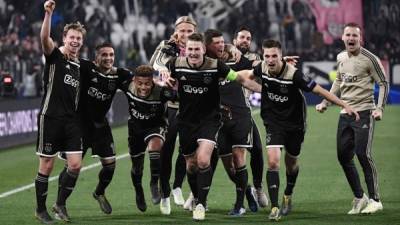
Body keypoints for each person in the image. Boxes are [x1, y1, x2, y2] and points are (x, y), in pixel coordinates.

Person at [242, 39, 359, 221]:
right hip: (273, 122)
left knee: (292, 162)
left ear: (281, 56)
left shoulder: (294, 75)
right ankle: (274, 207)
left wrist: (344, 104)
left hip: (294, 124)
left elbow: (320, 90)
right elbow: (247, 75)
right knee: (273, 161)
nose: (270, 60)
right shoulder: (261, 67)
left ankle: (288, 194)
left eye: (274, 56)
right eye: (267, 56)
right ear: (263, 56)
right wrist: (232, 76)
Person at [164, 33, 261, 221]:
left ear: (203, 50)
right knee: (191, 165)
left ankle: (200, 204)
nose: (193, 53)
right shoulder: (176, 64)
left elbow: (240, 79)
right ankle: (199, 197)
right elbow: (164, 76)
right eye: (190, 49)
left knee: (202, 161)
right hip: (186, 121)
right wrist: (165, 78)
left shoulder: (216, 66)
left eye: (196, 49)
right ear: (186, 51)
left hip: (210, 120)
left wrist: (266, 90)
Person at [316, 22, 389, 215]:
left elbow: (383, 83)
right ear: (342, 37)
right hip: (345, 113)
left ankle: (375, 199)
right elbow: (339, 81)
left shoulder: (370, 59)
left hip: (364, 111)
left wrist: (379, 108)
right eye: (347, 35)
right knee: (343, 157)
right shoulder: (340, 57)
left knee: (363, 154)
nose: (351, 38)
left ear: (360, 38)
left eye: (354, 36)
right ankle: (360, 196)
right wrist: (326, 102)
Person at [59, 42, 133, 215]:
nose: (108, 58)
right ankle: (60, 204)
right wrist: (65, 48)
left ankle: (99, 192)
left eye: (111, 55)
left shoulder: (119, 75)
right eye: (104, 55)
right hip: (78, 125)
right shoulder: (86, 67)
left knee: (110, 166)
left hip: (100, 125)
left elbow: (139, 81)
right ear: (96, 57)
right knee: (72, 167)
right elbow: (66, 57)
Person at [34, 0, 86, 223]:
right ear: (65, 39)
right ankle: (40, 209)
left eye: (78, 38)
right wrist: (48, 14)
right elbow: (44, 39)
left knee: (75, 164)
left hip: (71, 121)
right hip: (51, 117)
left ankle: (60, 203)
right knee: (47, 164)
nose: (74, 41)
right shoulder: (55, 56)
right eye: (71, 37)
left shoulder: (78, 65)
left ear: (82, 42)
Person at [204, 28, 258, 216]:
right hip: (220, 120)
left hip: (241, 116)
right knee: (230, 168)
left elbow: (254, 69)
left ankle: (239, 205)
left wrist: (267, 91)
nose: (220, 46)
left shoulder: (234, 59)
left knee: (239, 156)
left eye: (222, 43)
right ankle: (248, 190)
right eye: (216, 43)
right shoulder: (205, 65)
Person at [150, 16, 197, 211]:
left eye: (189, 31)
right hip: (170, 105)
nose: (185, 34)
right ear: (175, 31)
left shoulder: (198, 46)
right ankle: (165, 194)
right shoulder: (166, 45)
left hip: (192, 106)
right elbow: (156, 63)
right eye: (182, 31)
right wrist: (164, 72)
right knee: (166, 150)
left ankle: (178, 185)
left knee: (188, 150)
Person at [121, 65, 176, 214]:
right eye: (140, 83)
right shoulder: (127, 85)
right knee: (137, 168)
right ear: (134, 81)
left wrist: (173, 88)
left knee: (154, 148)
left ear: (153, 81)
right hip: (135, 129)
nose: (144, 87)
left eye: (147, 83)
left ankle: (154, 183)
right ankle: (139, 191)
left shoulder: (161, 92)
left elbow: (179, 97)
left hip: (156, 127)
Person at [232, 26, 269, 208]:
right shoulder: (223, 56)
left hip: (243, 110)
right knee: (212, 154)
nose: (245, 40)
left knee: (257, 149)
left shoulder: (254, 58)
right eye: (242, 37)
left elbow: (259, 70)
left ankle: (258, 188)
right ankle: (196, 194)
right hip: (219, 112)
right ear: (234, 40)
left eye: (248, 38)